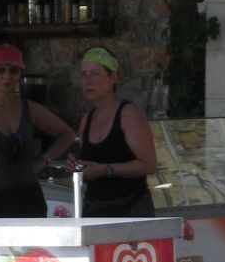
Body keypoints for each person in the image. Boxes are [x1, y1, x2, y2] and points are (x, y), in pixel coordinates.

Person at [0, 43, 76, 217]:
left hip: (28, 199)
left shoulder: (31, 109)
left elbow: (67, 135)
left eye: (13, 71)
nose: (7, 77)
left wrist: (43, 160)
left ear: (20, 74)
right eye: (0, 70)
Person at [66, 47, 157, 217]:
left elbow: (149, 164)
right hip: (96, 209)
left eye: (94, 74)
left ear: (113, 77)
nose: (87, 81)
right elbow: (91, 165)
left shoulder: (128, 113)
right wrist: (76, 166)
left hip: (130, 208)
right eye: (83, 74)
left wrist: (105, 169)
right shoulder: (87, 119)